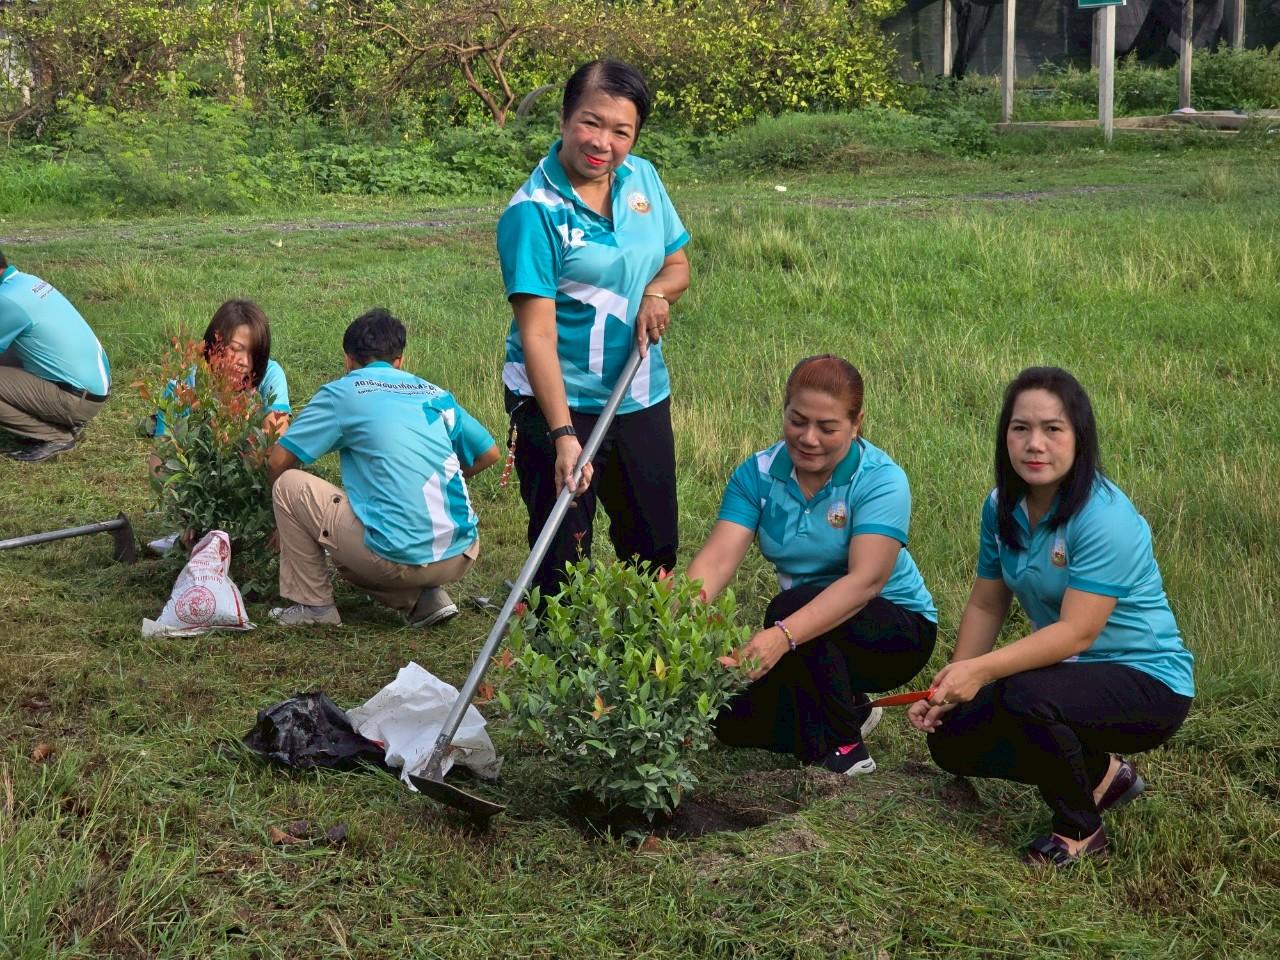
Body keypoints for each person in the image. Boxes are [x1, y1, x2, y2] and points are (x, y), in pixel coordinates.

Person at [908, 367, 1194, 867]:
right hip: (1069, 675)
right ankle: (1104, 776)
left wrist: (983, 671)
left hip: (1148, 681)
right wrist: (950, 685)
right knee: (953, 739)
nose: (1034, 444)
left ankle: (1080, 829)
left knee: (1026, 692)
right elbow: (986, 602)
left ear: (1079, 437)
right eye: (1020, 428)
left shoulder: (1105, 517)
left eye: (1052, 429)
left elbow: (1077, 632)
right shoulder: (1001, 506)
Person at [496, 59, 690, 604]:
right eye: (591, 122)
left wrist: (657, 293)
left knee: (652, 548)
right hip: (560, 402)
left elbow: (677, 266)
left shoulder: (642, 179)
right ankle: (560, 676)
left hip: (640, 392)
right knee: (562, 558)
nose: (603, 142)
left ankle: (639, 676)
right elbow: (537, 336)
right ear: (564, 117)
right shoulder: (533, 213)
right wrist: (563, 438)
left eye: (621, 131)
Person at [686, 355, 938, 775]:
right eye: (797, 420)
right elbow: (715, 560)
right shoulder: (758, 475)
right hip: (807, 632)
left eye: (827, 427)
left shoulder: (881, 479)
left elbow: (865, 582)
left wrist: (780, 637)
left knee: (787, 609)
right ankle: (845, 710)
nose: (808, 438)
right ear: (783, 409)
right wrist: (672, 622)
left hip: (895, 628)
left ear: (857, 423)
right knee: (730, 718)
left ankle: (846, 748)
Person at [264, 308, 499, 627]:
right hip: (462, 552)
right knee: (360, 538)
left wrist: (283, 524)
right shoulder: (435, 393)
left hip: (394, 557)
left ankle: (314, 607)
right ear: (400, 361)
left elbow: (279, 460)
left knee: (290, 485)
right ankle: (424, 599)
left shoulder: (343, 392)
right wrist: (433, 483)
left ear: (348, 360)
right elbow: (489, 454)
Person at [0, 249, 111, 462]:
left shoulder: (7, 301)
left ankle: (54, 435)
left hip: (78, 399)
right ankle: (59, 419)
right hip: (92, 389)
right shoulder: (26, 282)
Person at [150, 299, 291, 438]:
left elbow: (275, 438)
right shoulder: (180, 388)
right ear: (214, 344)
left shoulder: (271, 374)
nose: (245, 361)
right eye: (235, 349)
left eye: (253, 353)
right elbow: (161, 455)